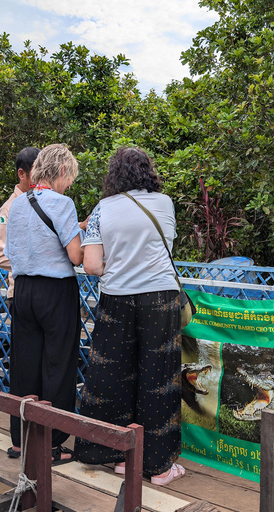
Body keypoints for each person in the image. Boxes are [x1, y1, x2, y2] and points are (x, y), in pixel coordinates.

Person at [74, 147, 184, 486]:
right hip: (160, 299)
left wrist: (119, 268)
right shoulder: (164, 203)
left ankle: (113, 453)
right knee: (158, 378)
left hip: (116, 298)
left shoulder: (102, 209)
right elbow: (165, 245)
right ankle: (158, 466)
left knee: (112, 375)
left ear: (115, 175)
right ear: (148, 171)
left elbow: (91, 265)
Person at [3, 144, 83, 463]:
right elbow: (76, 256)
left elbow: (13, 250)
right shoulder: (63, 203)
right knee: (58, 365)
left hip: (22, 290)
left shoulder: (18, 204)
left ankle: (21, 441)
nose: (69, 185)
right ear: (61, 172)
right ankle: (52, 444)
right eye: (70, 178)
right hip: (55, 291)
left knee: (24, 365)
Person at [0, 147, 39, 309]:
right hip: (21, 292)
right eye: (37, 173)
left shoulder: (45, 201)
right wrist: (39, 261)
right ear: (21, 174)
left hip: (44, 291)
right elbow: (0, 256)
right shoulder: (8, 209)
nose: (41, 179)